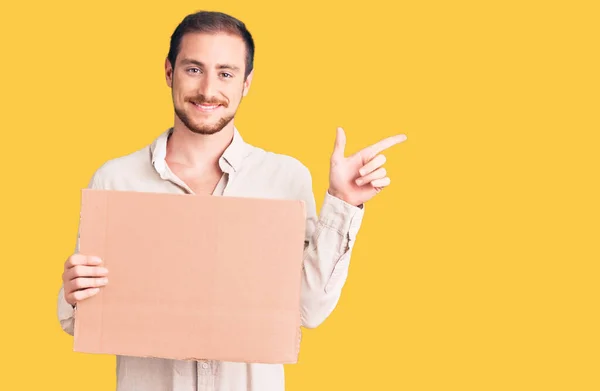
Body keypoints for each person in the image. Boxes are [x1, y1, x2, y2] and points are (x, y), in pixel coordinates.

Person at [57, 10, 406, 391]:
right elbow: (80, 321)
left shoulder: (285, 179)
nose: (208, 90)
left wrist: (342, 202)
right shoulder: (115, 179)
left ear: (246, 82)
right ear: (169, 72)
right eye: (194, 69)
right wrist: (74, 292)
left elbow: (309, 310)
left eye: (225, 73)